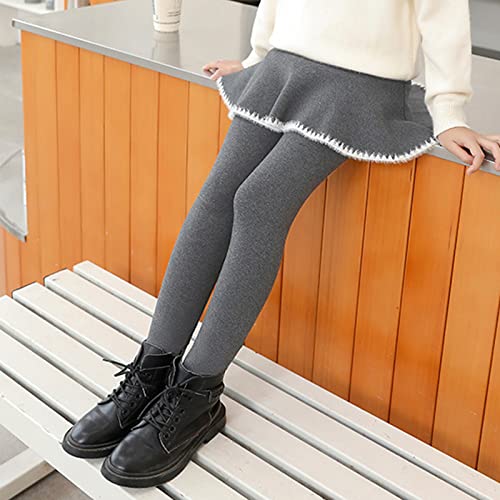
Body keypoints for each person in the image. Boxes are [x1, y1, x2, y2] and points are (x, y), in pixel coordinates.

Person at [62, 0, 500, 488]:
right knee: (215, 198)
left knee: (259, 200)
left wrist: (449, 112)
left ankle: (197, 392)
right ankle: (152, 370)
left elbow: (442, 15)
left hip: (358, 86)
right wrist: (257, 57)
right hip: (284, 66)